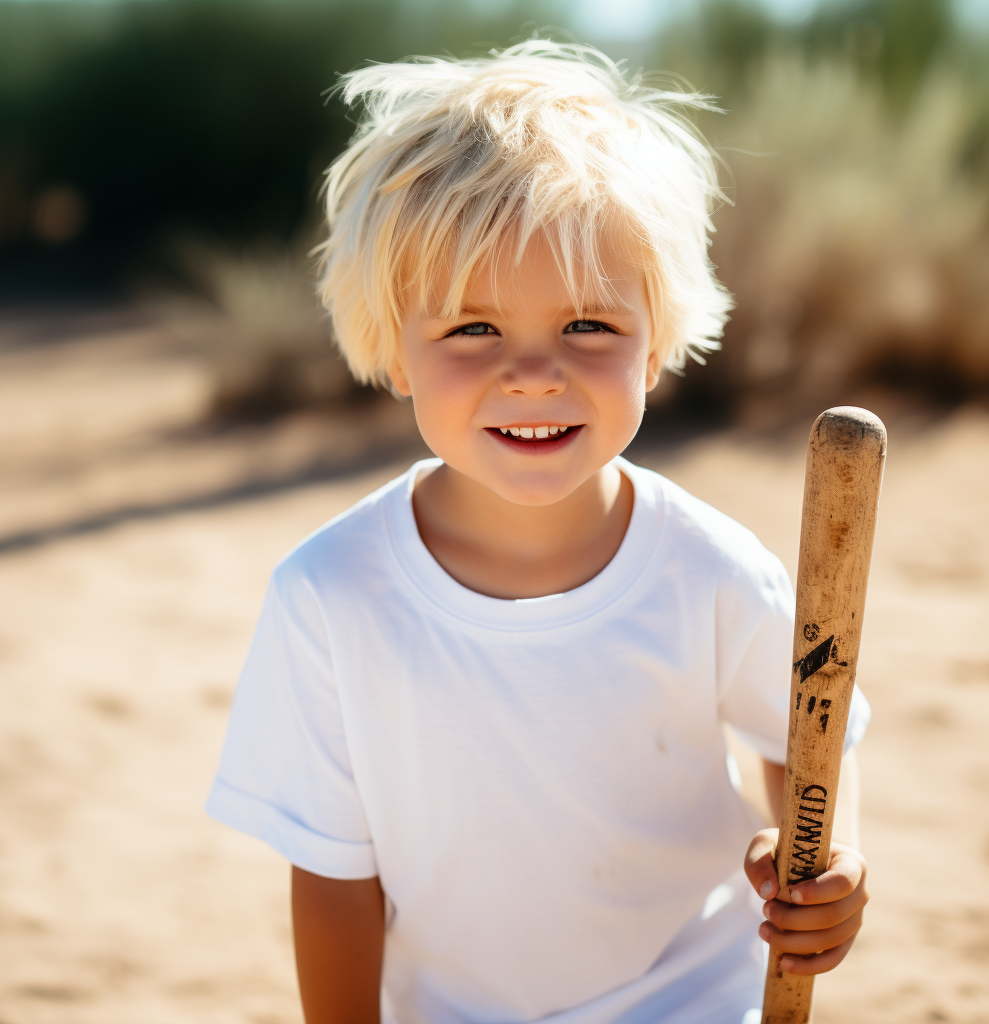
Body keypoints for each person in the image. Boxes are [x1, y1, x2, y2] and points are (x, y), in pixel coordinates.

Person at [206, 40, 870, 1024]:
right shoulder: (331, 593)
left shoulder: (711, 568)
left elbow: (805, 737)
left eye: (589, 328)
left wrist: (831, 858)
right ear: (394, 348)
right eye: (472, 329)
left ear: (655, 346)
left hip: (696, 995)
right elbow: (335, 877)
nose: (533, 372)